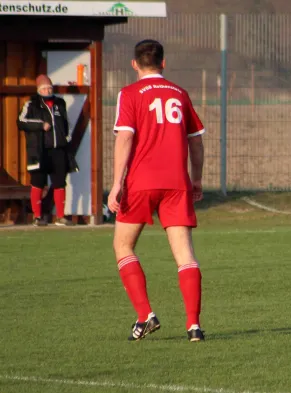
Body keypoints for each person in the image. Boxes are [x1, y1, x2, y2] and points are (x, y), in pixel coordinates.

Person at [108, 39, 206, 342]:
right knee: (185, 255)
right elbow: (197, 142)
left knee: (123, 246)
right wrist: (196, 179)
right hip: (177, 183)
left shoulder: (129, 94)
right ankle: (194, 326)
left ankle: (145, 315)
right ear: (163, 63)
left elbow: (124, 139)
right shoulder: (180, 93)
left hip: (141, 182)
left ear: (135, 64)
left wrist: (115, 184)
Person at [17, 74, 78, 227]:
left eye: (49, 88)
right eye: (44, 88)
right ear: (39, 90)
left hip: (58, 150)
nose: (47, 90)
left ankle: (61, 216)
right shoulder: (31, 104)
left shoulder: (60, 103)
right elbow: (21, 121)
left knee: (59, 183)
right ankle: (37, 217)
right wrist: (40, 125)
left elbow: (66, 124)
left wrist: (66, 138)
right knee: (38, 182)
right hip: (40, 150)